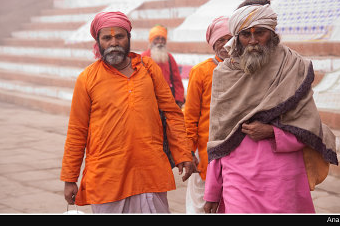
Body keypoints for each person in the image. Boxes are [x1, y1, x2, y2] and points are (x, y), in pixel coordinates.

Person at [203, 0, 338, 213]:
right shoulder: (224, 73)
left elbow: (309, 125)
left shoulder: (294, 67)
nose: (254, 41)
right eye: (246, 34)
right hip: (237, 175)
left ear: (272, 34)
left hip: (282, 177)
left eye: (260, 33)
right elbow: (219, 135)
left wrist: (272, 132)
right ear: (237, 39)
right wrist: (211, 190)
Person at [60, 11, 196, 214]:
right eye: (107, 38)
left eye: (119, 36)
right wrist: (70, 178)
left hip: (149, 172)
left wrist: (183, 153)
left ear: (129, 38)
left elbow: (172, 113)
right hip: (108, 177)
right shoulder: (87, 79)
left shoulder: (148, 68)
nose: (113, 42)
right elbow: (77, 131)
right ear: (98, 42)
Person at [184, 16, 231, 213]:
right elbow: (190, 116)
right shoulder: (201, 71)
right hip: (204, 153)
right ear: (213, 44)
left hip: (234, 152)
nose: (226, 45)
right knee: (201, 204)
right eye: (221, 40)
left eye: (230, 38)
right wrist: (188, 151)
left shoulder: (246, 69)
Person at [141, 24, 185, 108]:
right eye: (157, 38)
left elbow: (177, 81)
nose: (160, 42)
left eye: (163, 39)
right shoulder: (143, 57)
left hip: (167, 102)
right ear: (151, 40)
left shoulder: (169, 58)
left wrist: (179, 100)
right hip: (148, 102)